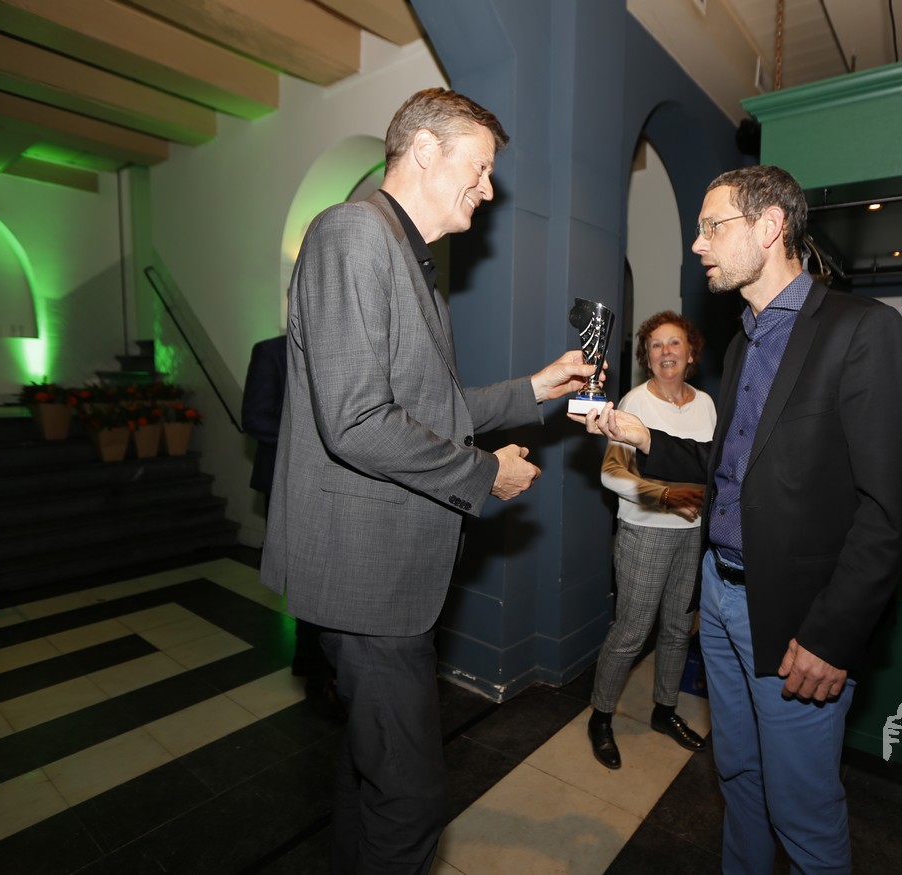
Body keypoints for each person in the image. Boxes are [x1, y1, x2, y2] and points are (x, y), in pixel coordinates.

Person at [259, 88, 597, 875]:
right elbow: (356, 421)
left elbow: (427, 407)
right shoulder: (353, 233)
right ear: (422, 150)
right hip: (364, 579)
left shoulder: (403, 255)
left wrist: (534, 389)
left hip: (383, 578)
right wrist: (485, 472)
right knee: (410, 801)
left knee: (370, 773)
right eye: (478, 168)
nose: (487, 188)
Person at [578, 165, 902, 874]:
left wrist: (831, 635)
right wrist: (642, 436)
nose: (697, 244)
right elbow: (728, 466)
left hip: (796, 617)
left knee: (801, 808)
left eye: (712, 226)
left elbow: (887, 510)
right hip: (722, 593)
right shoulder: (743, 342)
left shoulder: (862, 329)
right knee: (737, 776)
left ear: (769, 227)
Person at [588, 310, 716, 769]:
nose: (666, 352)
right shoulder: (634, 403)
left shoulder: (707, 404)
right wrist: (666, 497)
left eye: (674, 342)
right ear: (647, 356)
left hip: (694, 535)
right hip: (645, 532)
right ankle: (601, 716)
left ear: (691, 353)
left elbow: (711, 468)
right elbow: (611, 474)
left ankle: (665, 709)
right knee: (631, 632)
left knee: (680, 630)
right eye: (656, 345)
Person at [242, 334, 342, 719]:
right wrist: (313, 445)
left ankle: (321, 663)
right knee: (305, 577)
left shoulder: (340, 348)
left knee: (329, 579)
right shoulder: (269, 351)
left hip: (333, 485)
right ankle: (315, 671)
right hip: (286, 482)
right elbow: (254, 418)